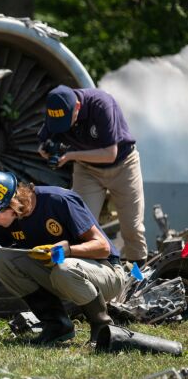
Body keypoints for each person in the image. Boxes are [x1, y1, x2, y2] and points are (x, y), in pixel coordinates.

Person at [0, 170, 125, 345]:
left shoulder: (58, 200)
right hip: (65, 276)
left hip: (106, 273)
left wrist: (67, 250)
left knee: (63, 268)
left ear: (10, 206)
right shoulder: (4, 225)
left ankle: (102, 326)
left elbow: (103, 247)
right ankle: (57, 325)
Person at [38, 85, 147, 267]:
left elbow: (110, 154)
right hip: (87, 170)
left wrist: (70, 155)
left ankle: (138, 275)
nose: (63, 127)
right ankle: (88, 274)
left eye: (67, 120)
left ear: (78, 107)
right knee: (80, 224)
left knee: (132, 228)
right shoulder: (56, 112)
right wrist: (45, 150)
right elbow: (43, 141)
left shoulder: (101, 104)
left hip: (123, 165)